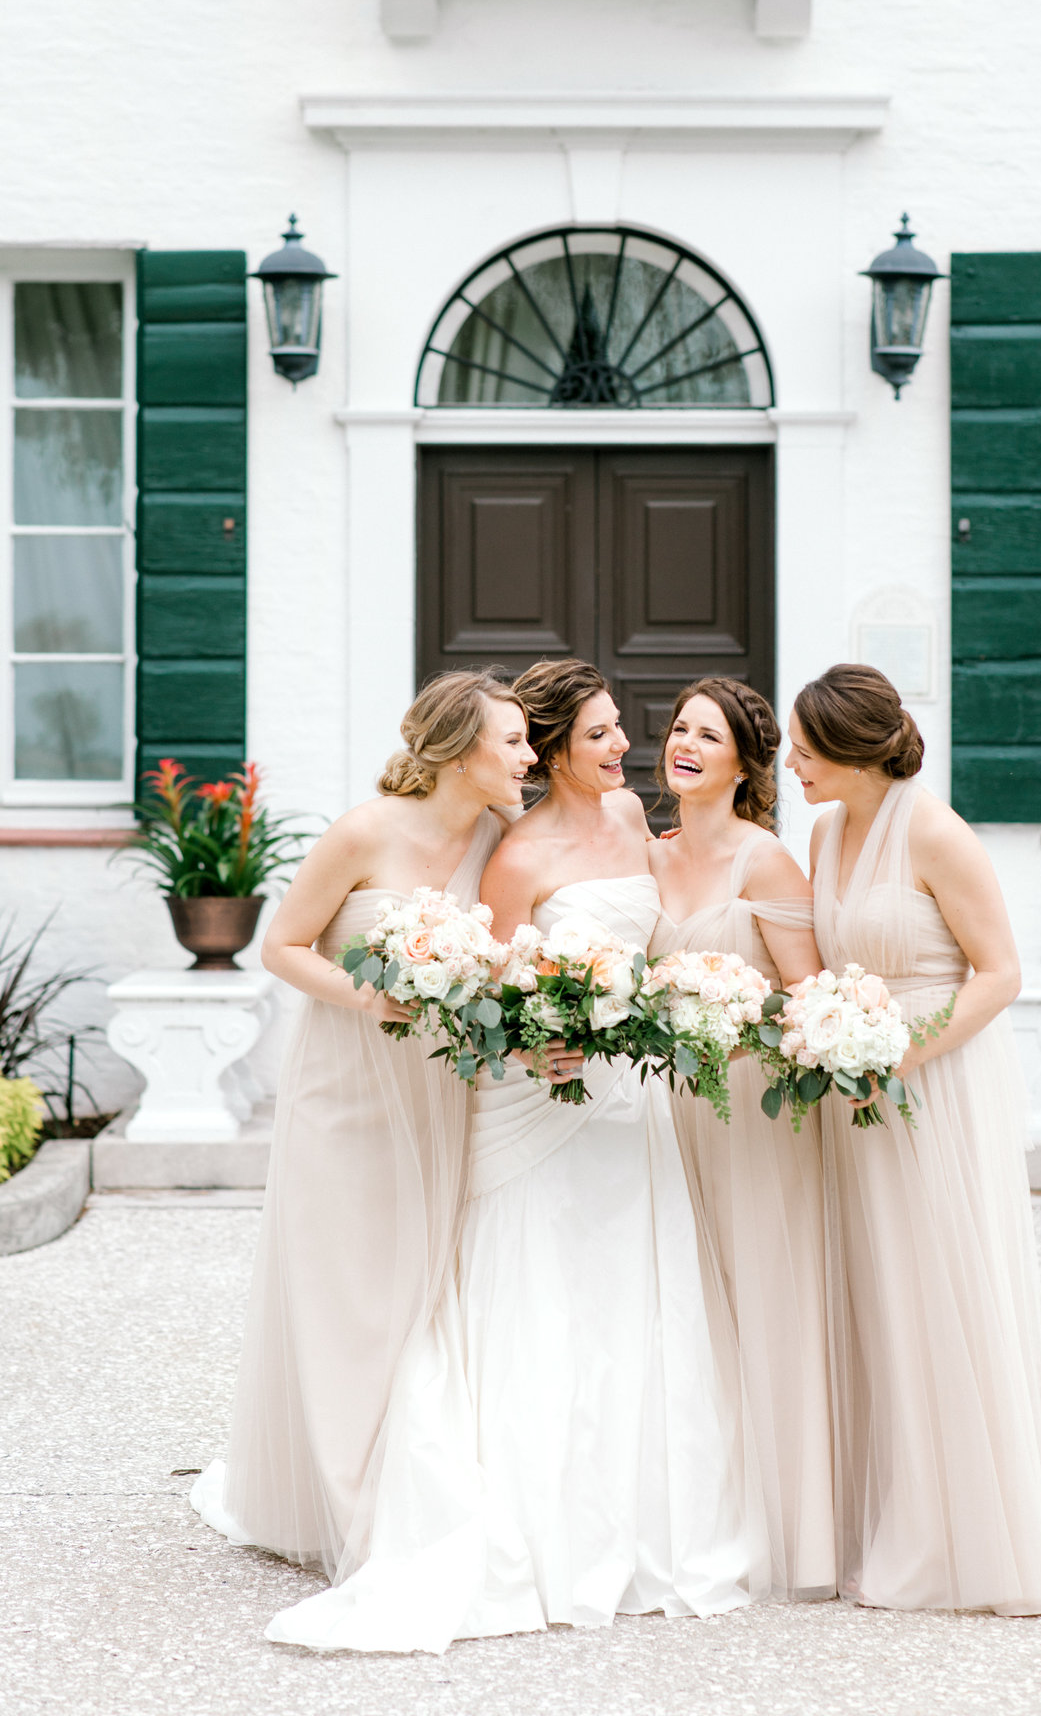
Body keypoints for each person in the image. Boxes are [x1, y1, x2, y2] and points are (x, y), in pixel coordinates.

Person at [265, 659, 768, 1653]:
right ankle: (527, 1521)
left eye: (619, 728)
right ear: (541, 750)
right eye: (597, 735)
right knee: (533, 1288)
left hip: (633, 1098)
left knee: (635, 1290)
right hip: (539, 1093)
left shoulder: (633, 823)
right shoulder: (511, 850)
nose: (621, 746)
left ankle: (643, 1512)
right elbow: (499, 981)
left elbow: (671, 922)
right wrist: (543, 1028)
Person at [190, 670, 535, 1579]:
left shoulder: (501, 840)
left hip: (438, 1090)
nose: (528, 756)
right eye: (513, 741)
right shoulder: (365, 830)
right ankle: (346, 1499)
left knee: (416, 1283)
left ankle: (405, 1475)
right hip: (343, 1086)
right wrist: (367, 998)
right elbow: (282, 946)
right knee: (340, 1285)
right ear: (462, 751)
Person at [789, 662, 1041, 1615]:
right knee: (877, 1294)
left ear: (854, 750)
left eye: (804, 749)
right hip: (850, 1079)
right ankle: (891, 1518)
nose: (790, 764)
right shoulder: (825, 833)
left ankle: (963, 1540)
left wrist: (904, 1052)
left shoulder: (938, 831)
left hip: (932, 1080)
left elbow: (999, 973)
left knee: (940, 1286)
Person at [648, 677, 836, 1601]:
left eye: (707, 735)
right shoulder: (648, 854)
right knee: (683, 1304)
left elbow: (807, 998)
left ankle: (785, 1521)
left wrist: (740, 1018)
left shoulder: (766, 863)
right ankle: (695, 1504)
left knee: (759, 1291)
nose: (684, 744)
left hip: (752, 1105)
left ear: (743, 762)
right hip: (659, 1107)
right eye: (679, 728)